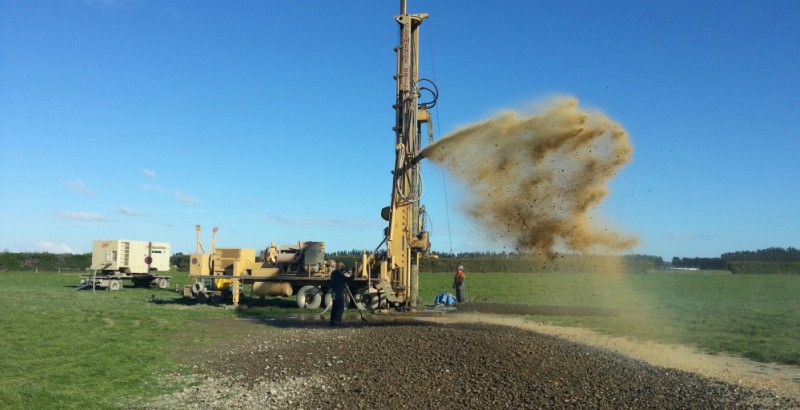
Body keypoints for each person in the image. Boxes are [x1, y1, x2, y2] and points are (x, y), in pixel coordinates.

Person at [330, 262, 354, 326]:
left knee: (334, 306)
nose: (343, 268)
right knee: (340, 306)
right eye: (343, 266)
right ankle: (337, 320)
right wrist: (354, 276)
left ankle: (332, 320)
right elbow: (346, 279)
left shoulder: (333, 273)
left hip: (334, 292)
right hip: (339, 292)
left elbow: (342, 280)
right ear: (340, 266)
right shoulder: (338, 273)